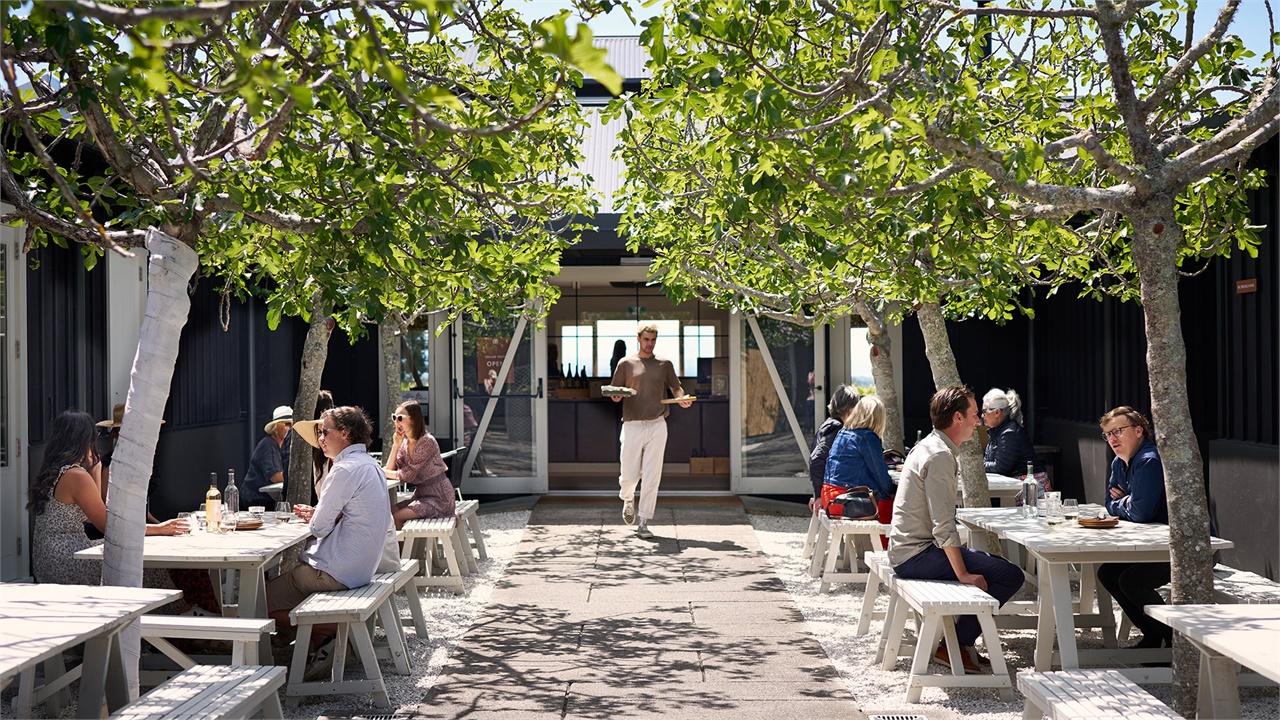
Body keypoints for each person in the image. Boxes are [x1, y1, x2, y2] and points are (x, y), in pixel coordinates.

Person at [888, 387, 1024, 673]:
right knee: (1010, 575)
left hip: (910, 550)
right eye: (975, 415)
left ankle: (959, 643)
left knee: (997, 566)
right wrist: (963, 574)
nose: (979, 422)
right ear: (958, 417)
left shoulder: (930, 445)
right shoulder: (939, 455)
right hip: (915, 555)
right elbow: (943, 526)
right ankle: (955, 644)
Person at [28, 410, 216, 614]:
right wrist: (159, 529)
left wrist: (95, 472)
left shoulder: (56, 471)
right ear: (84, 439)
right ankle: (178, 618)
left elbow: (95, 512)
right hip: (71, 560)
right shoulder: (76, 475)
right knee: (146, 565)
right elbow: (109, 527)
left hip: (48, 560)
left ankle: (174, 622)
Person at [267, 405, 400, 675]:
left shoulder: (343, 469)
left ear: (345, 433)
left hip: (334, 571)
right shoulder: (370, 465)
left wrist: (318, 516)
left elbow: (319, 527)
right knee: (284, 592)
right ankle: (321, 642)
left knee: (257, 604)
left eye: (325, 431)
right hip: (361, 570)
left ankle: (327, 632)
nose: (321, 439)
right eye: (318, 433)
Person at [1095, 406, 1172, 649]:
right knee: (1108, 573)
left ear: (1139, 431)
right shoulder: (1120, 462)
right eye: (1108, 434)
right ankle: (1152, 635)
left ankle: (1173, 639)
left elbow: (1141, 512)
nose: (1112, 439)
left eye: (1118, 431)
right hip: (1154, 546)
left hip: (1183, 549)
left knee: (1131, 580)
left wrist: (1125, 502)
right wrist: (1126, 501)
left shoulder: (1149, 461)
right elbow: (1109, 503)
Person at [610, 323, 692, 539]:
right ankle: (628, 499)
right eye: (646, 339)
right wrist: (616, 396)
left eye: (653, 339)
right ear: (638, 339)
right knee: (629, 474)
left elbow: (676, 387)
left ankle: (644, 521)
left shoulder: (664, 364)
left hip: (657, 424)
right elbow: (615, 390)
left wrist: (680, 398)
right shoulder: (625, 363)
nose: (650, 343)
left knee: (652, 475)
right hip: (632, 424)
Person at [825, 395, 896, 527]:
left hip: (830, 498)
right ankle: (887, 546)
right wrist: (895, 489)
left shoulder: (843, 432)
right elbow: (881, 476)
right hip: (848, 501)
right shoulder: (868, 437)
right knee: (890, 498)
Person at [384, 401, 455, 529]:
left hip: (440, 497)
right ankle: (405, 549)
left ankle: (401, 550)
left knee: (397, 517)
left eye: (400, 418)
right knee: (388, 512)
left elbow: (407, 476)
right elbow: (390, 470)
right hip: (422, 495)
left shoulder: (426, 442)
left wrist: (379, 471)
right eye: (394, 417)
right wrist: (395, 446)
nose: (396, 422)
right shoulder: (405, 443)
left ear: (413, 420)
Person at [808, 384, 861, 510]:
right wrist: (818, 494)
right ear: (849, 409)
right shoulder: (836, 427)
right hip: (828, 493)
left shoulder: (829, 424)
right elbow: (817, 460)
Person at [980, 388, 1042, 477]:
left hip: (1028, 485)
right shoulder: (995, 431)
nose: (982, 416)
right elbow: (988, 462)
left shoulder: (1010, 433)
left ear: (997, 412)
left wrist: (977, 466)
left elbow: (1000, 467)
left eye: (984, 411)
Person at [242, 405, 292, 508]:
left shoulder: (281, 446)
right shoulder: (269, 445)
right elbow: (276, 477)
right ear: (276, 429)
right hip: (255, 503)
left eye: (292, 425)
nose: (290, 428)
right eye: (287, 424)